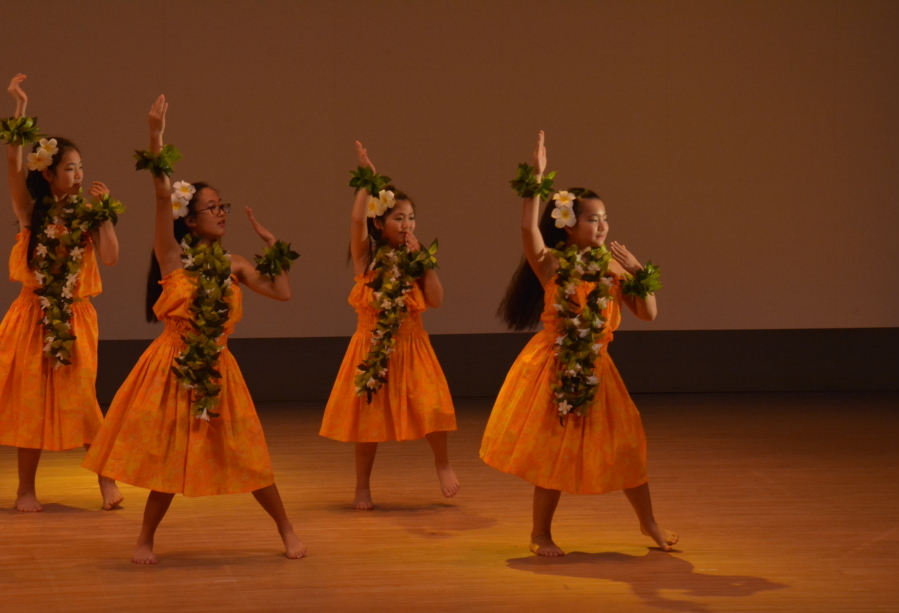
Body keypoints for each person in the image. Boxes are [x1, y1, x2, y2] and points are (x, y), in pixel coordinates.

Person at [83, 95, 305, 563]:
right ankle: (145, 539)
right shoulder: (172, 258)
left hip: (220, 369)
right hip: (172, 368)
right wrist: (156, 136)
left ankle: (286, 529)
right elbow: (161, 196)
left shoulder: (235, 264)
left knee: (248, 453)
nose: (221, 212)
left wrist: (273, 247)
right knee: (168, 454)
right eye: (211, 207)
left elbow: (282, 292)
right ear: (189, 219)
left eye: (223, 206)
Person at [480, 131, 678, 556]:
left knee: (626, 444)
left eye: (605, 218)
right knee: (552, 450)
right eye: (592, 219)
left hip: (598, 368)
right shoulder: (552, 265)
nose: (602, 225)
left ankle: (649, 524)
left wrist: (638, 272)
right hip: (553, 368)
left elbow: (648, 313)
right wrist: (536, 179)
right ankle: (540, 534)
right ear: (568, 225)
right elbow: (527, 227)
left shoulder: (613, 268)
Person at [0, 73, 122, 512]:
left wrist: (104, 214)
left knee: (84, 400)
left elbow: (110, 258)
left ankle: (106, 481)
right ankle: (25, 489)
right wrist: (19, 107)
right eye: (70, 168)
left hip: (74, 317)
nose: (79, 175)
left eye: (80, 167)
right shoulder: (30, 213)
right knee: (29, 401)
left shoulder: (87, 215)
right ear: (48, 173)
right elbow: (12, 163)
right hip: (32, 316)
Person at [320, 141, 459, 510]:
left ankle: (442, 463)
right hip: (372, 347)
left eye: (411, 217)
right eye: (399, 218)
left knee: (434, 408)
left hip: (413, 344)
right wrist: (368, 179)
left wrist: (423, 262)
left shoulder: (417, 257)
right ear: (379, 223)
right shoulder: (366, 258)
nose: (407, 224)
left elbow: (436, 299)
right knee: (368, 421)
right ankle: (362, 487)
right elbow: (356, 221)